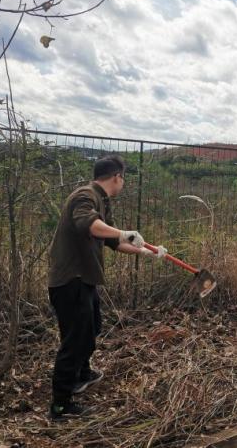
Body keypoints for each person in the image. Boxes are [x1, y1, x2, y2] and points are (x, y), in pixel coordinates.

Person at [47, 155, 167, 420]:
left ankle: (82, 374)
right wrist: (122, 232)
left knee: (92, 328)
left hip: (84, 280)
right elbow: (88, 224)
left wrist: (146, 251)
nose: (123, 183)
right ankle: (60, 405)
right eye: (123, 178)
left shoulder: (102, 201)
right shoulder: (85, 196)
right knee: (74, 341)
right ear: (117, 177)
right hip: (70, 280)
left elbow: (114, 241)